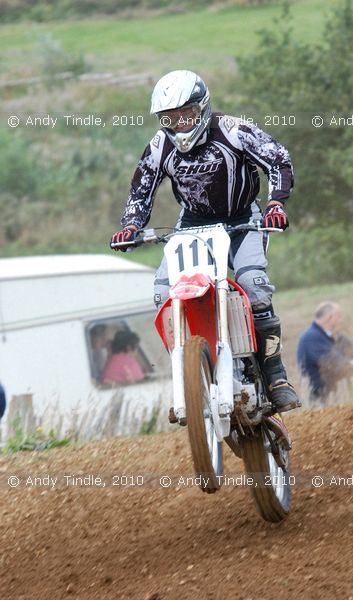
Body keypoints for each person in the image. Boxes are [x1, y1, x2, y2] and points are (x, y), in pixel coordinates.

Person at [110, 69, 300, 413]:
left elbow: (278, 159)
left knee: (253, 285)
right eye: (170, 118)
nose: (179, 125)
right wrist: (131, 225)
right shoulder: (160, 145)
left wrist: (276, 204)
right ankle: (189, 379)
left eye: (186, 115)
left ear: (202, 107)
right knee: (163, 293)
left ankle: (276, 377)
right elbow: (141, 188)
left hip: (242, 218)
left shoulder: (234, 130)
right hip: (192, 225)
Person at [297, 301, 353, 404]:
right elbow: (336, 364)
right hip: (319, 402)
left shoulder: (335, 336)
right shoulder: (311, 338)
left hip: (336, 399)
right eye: (339, 316)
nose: (341, 320)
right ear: (330, 317)